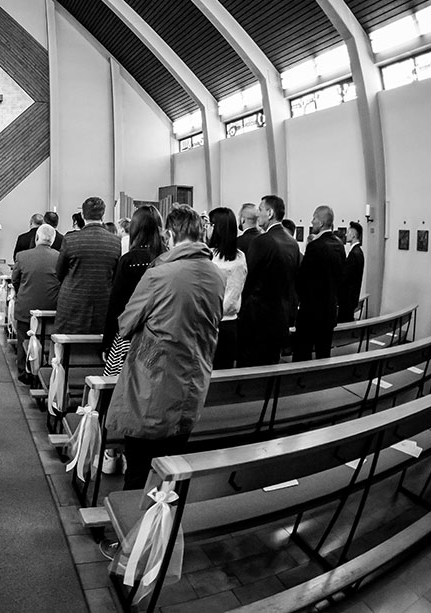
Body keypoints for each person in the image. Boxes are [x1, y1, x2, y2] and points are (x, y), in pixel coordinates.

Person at [105, 205, 224, 490]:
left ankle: (134, 532)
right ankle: (162, 530)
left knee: (138, 470)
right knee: (168, 469)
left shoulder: (160, 274)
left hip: (152, 386)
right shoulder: (217, 275)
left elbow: (126, 322)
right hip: (193, 383)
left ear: (170, 234)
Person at [237, 195, 299, 367]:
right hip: (280, 317)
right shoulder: (292, 243)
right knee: (271, 366)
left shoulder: (262, 241)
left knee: (249, 368)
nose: (258, 214)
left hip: (257, 319)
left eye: (261, 209)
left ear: (270, 212)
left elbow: (247, 280)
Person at [101, 205, 166, 358]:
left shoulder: (129, 260)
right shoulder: (168, 257)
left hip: (131, 334)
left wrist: (108, 342)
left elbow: (116, 304)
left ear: (135, 229)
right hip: (161, 333)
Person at [54, 197, 121, 334]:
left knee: (66, 348)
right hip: (102, 304)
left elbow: (59, 273)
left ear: (83, 215)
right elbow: (115, 276)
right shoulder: (115, 242)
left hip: (72, 303)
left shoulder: (71, 239)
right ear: (103, 215)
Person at [294, 206, 345, 361]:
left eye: (314, 218)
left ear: (321, 222)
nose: (312, 221)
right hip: (329, 309)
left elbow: (303, 278)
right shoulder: (339, 245)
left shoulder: (315, 246)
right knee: (324, 354)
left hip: (311, 311)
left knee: (303, 354)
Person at [11, 224, 60, 384]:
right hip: (52, 307)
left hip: (27, 305)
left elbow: (15, 280)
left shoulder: (22, 256)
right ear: (52, 241)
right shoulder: (59, 257)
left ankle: (23, 372)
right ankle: (44, 371)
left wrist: (22, 293)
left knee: (23, 338)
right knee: (48, 339)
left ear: (36, 238)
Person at [207, 207, 248, 370]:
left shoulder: (215, 258)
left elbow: (228, 298)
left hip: (217, 324)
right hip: (221, 323)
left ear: (217, 228)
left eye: (210, 225)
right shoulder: (237, 256)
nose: (207, 229)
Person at [338, 221, 365, 324]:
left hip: (347, 298)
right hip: (352, 297)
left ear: (353, 235)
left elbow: (345, 276)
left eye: (348, 232)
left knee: (343, 322)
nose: (346, 234)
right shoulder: (359, 252)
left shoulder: (354, 254)